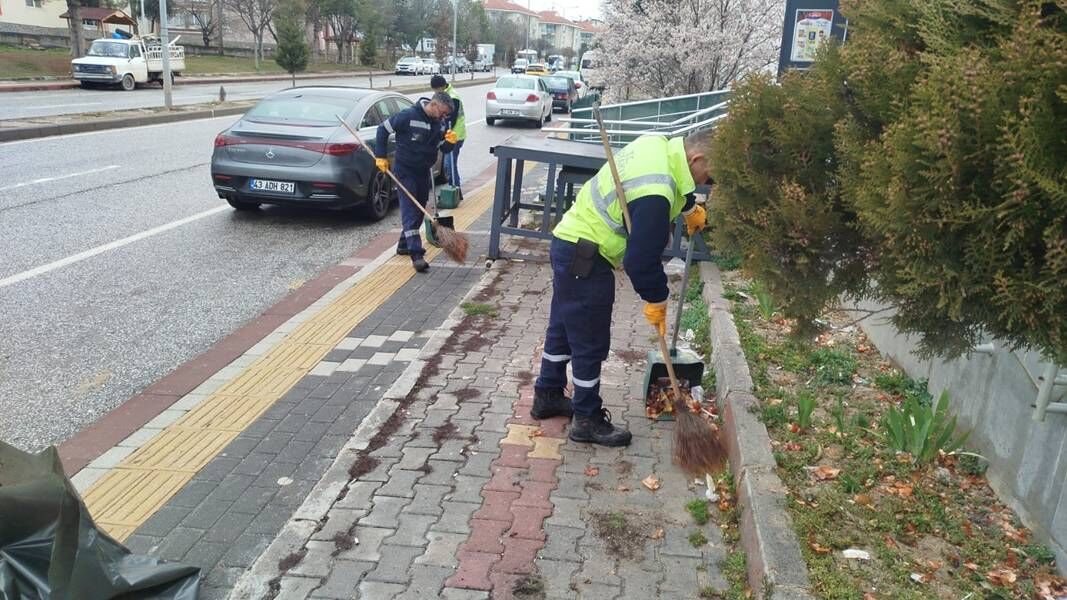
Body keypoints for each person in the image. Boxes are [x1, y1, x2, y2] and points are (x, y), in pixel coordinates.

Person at [531, 130, 712, 446]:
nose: (706, 182)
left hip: (569, 241)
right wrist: (657, 298)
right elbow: (639, 261)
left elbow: (659, 181)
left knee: (562, 328)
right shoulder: (657, 193)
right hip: (588, 256)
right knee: (589, 339)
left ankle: (547, 395)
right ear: (696, 159)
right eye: (708, 176)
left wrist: (688, 206)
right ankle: (586, 419)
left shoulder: (657, 144)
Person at [374, 91, 457, 273]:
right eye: (442, 112)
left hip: (423, 172)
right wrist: (380, 156)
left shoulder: (439, 124)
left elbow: (442, 148)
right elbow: (382, 129)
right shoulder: (408, 116)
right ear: (433, 105)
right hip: (405, 170)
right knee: (411, 210)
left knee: (419, 209)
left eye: (446, 115)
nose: (444, 117)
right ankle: (416, 254)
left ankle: (404, 245)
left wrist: (450, 143)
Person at [430, 74, 465, 191]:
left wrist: (440, 133)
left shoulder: (452, 97)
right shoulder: (444, 95)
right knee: (449, 165)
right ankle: (454, 189)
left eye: (436, 89)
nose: (435, 92)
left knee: (449, 165)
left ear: (441, 87)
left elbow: (450, 120)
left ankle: (455, 190)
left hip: (455, 136)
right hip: (451, 135)